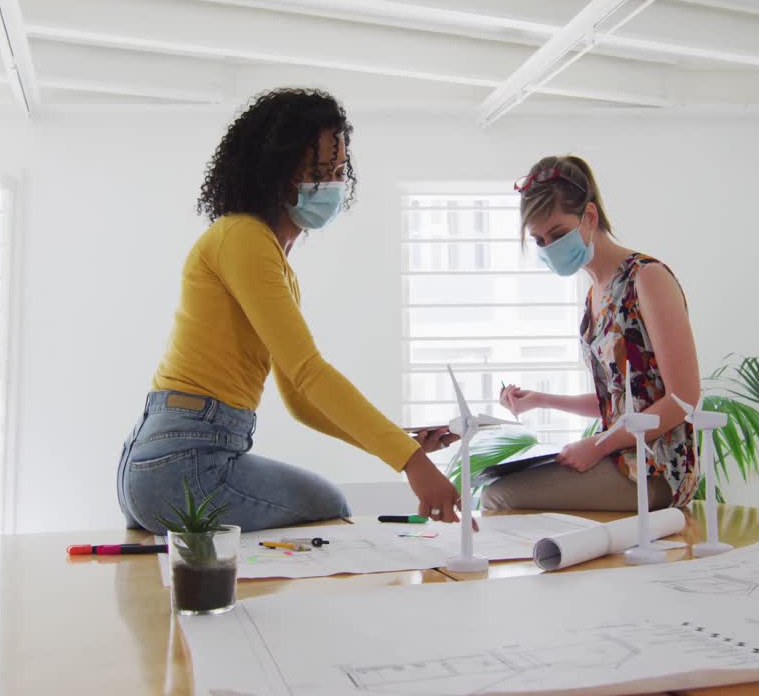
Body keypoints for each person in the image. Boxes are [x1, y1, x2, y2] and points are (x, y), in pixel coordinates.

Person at [117, 88, 462, 533]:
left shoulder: (267, 258)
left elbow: (300, 400)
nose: (332, 184)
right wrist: (411, 463)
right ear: (275, 171)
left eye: (338, 171)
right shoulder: (243, 238)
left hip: (164, 458)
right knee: (330, 503)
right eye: (318, 172)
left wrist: (398, 441)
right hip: (185, 460)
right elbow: (308, 372)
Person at [484, 155, 702, 512]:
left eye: (557, 234)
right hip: (621, 456)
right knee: (496, 486)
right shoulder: (594, 295)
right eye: (539, 241)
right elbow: (616, 400)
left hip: (659, 468)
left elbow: (684, 398)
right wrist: (541, 400)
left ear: (589, 217)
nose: (550, 248)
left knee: (501, 497)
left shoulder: (647, 278)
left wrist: (598, 446)